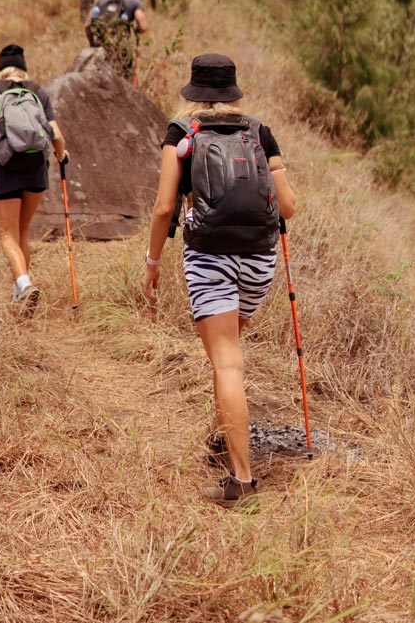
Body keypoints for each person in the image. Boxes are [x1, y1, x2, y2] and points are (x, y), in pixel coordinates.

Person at [144, 53, 297, 507]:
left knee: (226, 363)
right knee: (225, 352)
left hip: (209, 257)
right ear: (232, 92)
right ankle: (223, 436)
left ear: (194, 93)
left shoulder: (180, 134)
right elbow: (287, 207)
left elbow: (164, 209)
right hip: (258, 262)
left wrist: (152, 262)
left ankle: (242, 482)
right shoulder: (259, 132)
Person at [0, 45, 67, 310]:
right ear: (24, 68)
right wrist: (60, 155)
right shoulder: (37, 91)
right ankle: (20, 293)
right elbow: (57, 136)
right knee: (23, 232)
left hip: (7, 168)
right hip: (37, 166)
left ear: (1, 69)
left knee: (7, 235)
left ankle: (25, 285)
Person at [86, 0, 150, 75]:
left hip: (101, 47)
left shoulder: (102, 0)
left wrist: (92, 43)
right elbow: (144, 26)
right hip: (122, 48)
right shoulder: (134, 2)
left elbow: (87, 24)